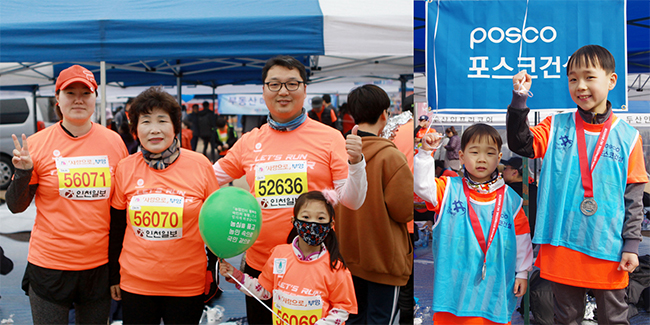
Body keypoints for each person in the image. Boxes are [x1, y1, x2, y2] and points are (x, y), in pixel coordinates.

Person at [212, 55, 366, 325]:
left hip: (314, 267)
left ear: (305, 89)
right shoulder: (249, 141)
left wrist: (357, 165)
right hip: (261, 266)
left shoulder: (329, 137)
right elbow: (207, 178)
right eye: (274, 84)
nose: (283, 91)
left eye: (292, 83)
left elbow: (352, 201)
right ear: (263, 91)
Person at [506, 44, 648, 325]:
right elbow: (521, 143)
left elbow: (634, 198)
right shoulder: (555, 125)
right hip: (562, 243)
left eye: (589, 77)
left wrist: (631, 244)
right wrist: (519, 100)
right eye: (572, 79)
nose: (580, 86)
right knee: (565, 317)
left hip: (608, 247)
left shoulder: (628, 136)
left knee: (613, 318)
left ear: (611, 80)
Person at [6, 64, 129, 324]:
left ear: (95, 98)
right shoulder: (38, 144)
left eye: (86, 93)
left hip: (98, 265)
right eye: (70, 92)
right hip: (49, 264)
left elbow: (121, 209)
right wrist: (24, 172)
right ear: (57, 100)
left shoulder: (114, 142)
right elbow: (16, 206)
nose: (78, 100)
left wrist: (118, 266)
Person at [108, 87, 219, 324]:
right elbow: (117, 226)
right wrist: (113, 276)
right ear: (135, 129)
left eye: (162, 120)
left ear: (175, 125)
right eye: (145, 121)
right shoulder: (125, 167)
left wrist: (213, 271)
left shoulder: (200, 165)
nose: (154, 129)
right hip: (136, 282)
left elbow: (213, 224)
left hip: (187, 284)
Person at [414, 123, 533, 324]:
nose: (481, 159)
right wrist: (425, 153)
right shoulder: (448, 189)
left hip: (494, 290)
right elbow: (422, 187)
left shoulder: (510, 200)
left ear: (498, 158)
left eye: (489, 153)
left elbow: (522, 238)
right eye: (474, 152)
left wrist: (522, 272)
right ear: (461, 156)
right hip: (454, 292)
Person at [219, 190, 357, 325]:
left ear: (330, 225)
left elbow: (342, 308)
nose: (313, 224)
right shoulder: (279, 254)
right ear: (294, 221)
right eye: (306, 217)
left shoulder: (336, 268)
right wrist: (236, 276)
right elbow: (264, 291)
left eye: (320, 218)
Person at [336, 84, 413, 324]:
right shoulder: (391, 156)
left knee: (354, 318)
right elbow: (404, 211)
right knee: (381, 319)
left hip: (347, 257)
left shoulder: (339, 153)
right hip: (383, 260)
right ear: (384, 114)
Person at [501, 157, 538, 239]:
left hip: (510, 237)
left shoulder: (506, 191)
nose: (503, 171)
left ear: (515, 172)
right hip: (531, 237)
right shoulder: (535, 190)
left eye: (505, 168)